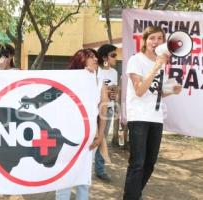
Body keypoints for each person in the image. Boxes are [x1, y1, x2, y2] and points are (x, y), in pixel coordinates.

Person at [123, 26, 182, 200]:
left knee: (149, 164)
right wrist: (156, 67)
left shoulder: (160, 62)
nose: (155, 42)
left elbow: (158, 91)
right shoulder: (136, 60)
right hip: (139, 117)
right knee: (137, 163)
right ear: (144, 40)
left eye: (159, 38)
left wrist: (172, 90)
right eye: (152, 38)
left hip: (156, 118)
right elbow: (140, 90)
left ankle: (133, 194)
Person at [55, 48, 109, 200]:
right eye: (91, 57)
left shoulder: (99, 80)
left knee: (84, 180)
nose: (95, 59)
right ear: (81, 60)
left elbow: (103, 109)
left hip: (89, 137)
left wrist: (100, 136)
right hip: (67, 135)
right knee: (64, 177)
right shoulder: (67, 79)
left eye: (95, 57)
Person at [95, 44, 118, 183]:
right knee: (90, 139)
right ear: (104, 57)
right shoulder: (95, 71)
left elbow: (113, 91)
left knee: (102, 140)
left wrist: (114, 93)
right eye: (113, 55)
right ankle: (82, 169)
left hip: (107, 109)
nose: (116, 58)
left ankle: (100, 170)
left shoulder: (114, 72)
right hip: (93, 109)